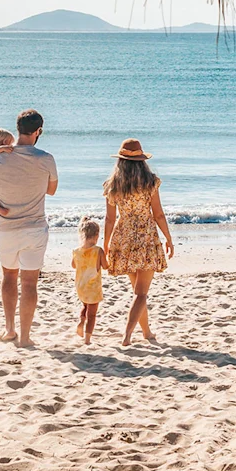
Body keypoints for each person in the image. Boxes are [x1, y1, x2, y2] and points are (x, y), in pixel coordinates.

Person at [0, 110, 58, 348]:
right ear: (38, 131)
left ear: (18, 129)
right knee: (30, 283)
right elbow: (51, 191)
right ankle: (24, 337)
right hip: (34, 228)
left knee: (9, 277)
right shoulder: (46, 159)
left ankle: (10, 330)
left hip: (6, 229)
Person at [102, 138, 175, 346]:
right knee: (141, 293)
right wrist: (168, 238)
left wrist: (107, 244)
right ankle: (127, 335)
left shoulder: (113, 185)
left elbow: (109, 218)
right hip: (146, 237)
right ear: (142, 160)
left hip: (123, 236)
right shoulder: (150, 181)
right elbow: (158, 214)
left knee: (137, 291)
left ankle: (147, 332)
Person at [70, 218, 104, 345]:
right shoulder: (98, 250)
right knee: (92, 314)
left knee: (85, 306)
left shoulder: (77, 251)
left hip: (80, 286)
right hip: (93, 287)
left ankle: (81, 322)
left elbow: (73, 265)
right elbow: (105, 266)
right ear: (96, 235)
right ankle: (88, 339)